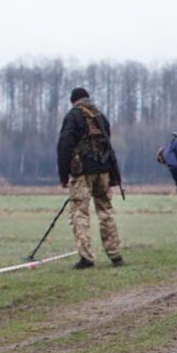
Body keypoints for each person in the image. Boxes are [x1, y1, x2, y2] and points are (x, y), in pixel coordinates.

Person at [56, 86, 124, 269]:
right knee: (106, 211)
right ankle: (115, 255)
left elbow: (64, 146)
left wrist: (63, 177)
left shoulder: (73, 116)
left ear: (73, 101)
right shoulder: (100, 116)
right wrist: (112, 176)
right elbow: (108, 145)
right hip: (103, 171)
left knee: (80, 212)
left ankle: (86, 258)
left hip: (83, 172)